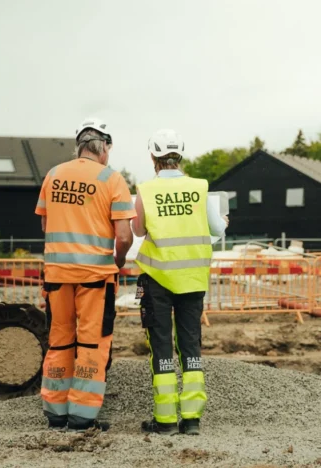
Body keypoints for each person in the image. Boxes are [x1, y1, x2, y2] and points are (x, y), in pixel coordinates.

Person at [35, 117, 135, 431]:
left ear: (78, 146)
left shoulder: (54, 175)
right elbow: (124, 236)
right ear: (104, 147)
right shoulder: (112, 179)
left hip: (56, 275)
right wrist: (118, 260)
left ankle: (55, 412)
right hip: (95, 277)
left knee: (59, 341)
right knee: (92, 343)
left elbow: (45, 224)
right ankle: (82, 415)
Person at [132, 129, 228, 436]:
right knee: (190, 344)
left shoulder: (146, 190)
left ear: (153, 157)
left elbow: (137, 231)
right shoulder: (199, 187)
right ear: (180, 155)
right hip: (192, 279)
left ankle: (165, 421)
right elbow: (217, 229)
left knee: (161, 346)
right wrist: (223, 222)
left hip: (157, 278)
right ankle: (192, 419)